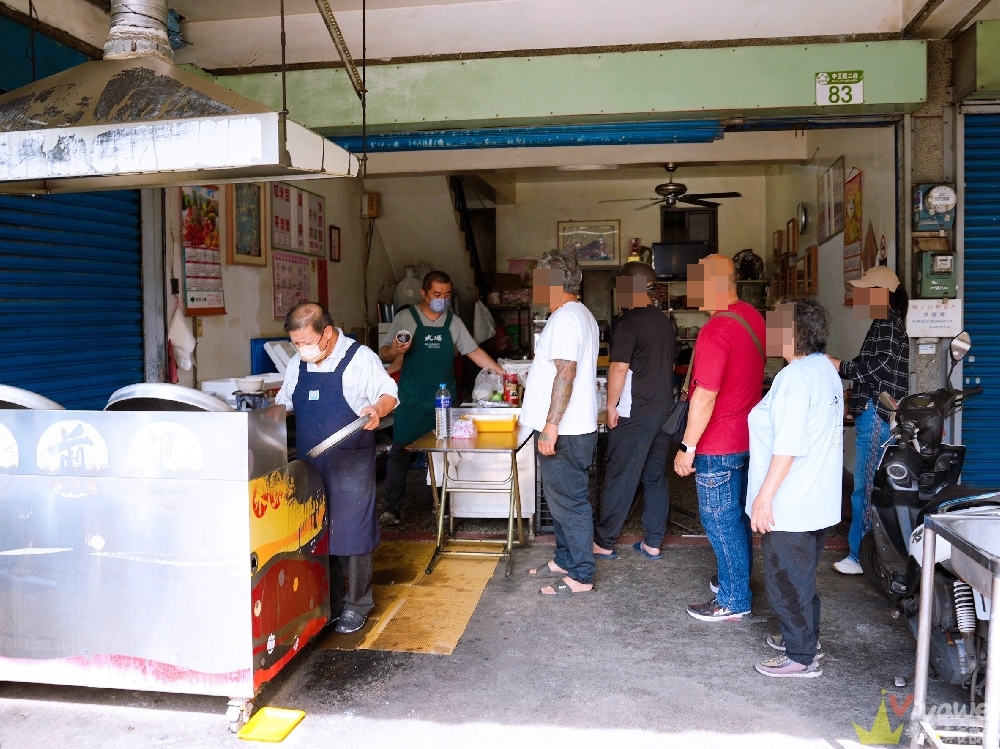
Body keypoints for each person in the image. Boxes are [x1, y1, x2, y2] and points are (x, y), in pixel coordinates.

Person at [275, 302, 399, 634]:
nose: (301, 349)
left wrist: (376, 408)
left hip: (351, 462)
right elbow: (283, 403)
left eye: (306, 342)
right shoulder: (297, 364)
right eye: (296, 343)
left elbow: (389, 392)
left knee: (352, 532)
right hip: (311, 462)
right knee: (316, 531)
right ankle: (329, 600)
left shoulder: (360, 358)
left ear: (327, 333)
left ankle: (358, 603)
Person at [749, 300, 842, 678]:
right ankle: (807, 639)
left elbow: (787, 446)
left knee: (785, 580)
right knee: (802, 576)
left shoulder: (793, 378)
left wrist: (764, 497)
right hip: (816, 497)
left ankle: (800, 657)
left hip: (791, 500)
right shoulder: (824, 369)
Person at [674, 254, 765, 622]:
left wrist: (687, 447)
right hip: (749, 436)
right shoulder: (754, 317)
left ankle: (733, 599)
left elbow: (705, 395)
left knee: (719, 521)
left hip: (718, 442)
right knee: (737, 517)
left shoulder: (715, 329)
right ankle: (735, 577)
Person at [379, 271, 503, 525]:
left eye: (447, 295)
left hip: (443, 402)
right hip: (411, 399)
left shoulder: (453, 322)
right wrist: (394, 349)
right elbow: (385, 353)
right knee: (401, 452)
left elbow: (474, 351)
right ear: (424, 293)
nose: (442, 300)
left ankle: (442, 505)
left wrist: (502, 373)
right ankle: (392, 508)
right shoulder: (406, 317)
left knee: (442, 455)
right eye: (437, 295)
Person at [522, 250, 600, 597]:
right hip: (570, 428)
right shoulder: (577, 314)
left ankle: (582, 575)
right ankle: (566, 558)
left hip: (565, 430)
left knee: (570, 502)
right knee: (561, 501)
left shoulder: (567, 318)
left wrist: (551, 425)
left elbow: (565, 373)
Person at [828, 266, 909, 575]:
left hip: (877, 414)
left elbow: (877, 367)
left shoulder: (887, 324)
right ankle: (864, 552)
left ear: (880, 294)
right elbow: (872, 365)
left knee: (865, 487)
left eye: (863, 292)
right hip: (872, 410)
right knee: (868, 486)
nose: (858, 298)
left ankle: (860, 555)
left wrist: (841, 366)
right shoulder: (884, 322)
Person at [593, 262, 676, 561]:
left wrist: (610, 405)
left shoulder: (628, 322)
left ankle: (604, 542)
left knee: (620, 475)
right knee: (654, 477)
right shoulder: (665, 322)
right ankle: (653, 541)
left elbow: (618, 367)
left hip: (635, 411)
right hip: (663, 411)